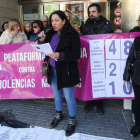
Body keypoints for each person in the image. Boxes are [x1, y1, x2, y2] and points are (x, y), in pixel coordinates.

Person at [38, 10, 80, 136]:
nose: (54, 23)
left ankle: (72, 120)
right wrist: (41, 41)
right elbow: (45, 47)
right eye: (52, 20)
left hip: (66, 71)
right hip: (53, 70)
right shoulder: (50, 33)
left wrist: (60, 55)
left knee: (68, 97)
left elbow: (76, 54)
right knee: (56, 96)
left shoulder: (72, 34)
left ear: (64, 21)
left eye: (57, 20)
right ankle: (58, 114)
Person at [82, 3, 122, 115]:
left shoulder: (107, 24)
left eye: (93, 11)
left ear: (99, 12)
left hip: (102, 56)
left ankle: (99, 103)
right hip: (89, 57)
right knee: (89, 80)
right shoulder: (85, 25)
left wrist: (117, 34)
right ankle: (90, 101)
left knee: (100, 80)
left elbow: (111, 38)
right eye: (90, 12)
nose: (91, 14)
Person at [123, 36, 140, 137]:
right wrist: (127, 75)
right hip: (137, 77)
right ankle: (137, 125)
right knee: (137, 101)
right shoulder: (137, 40)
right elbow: (130, 59)